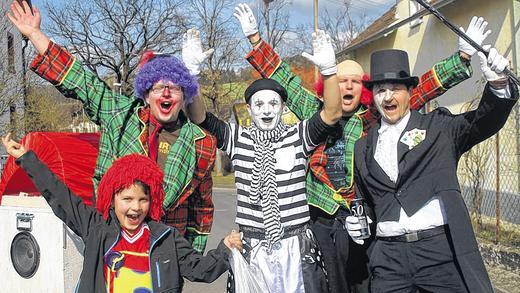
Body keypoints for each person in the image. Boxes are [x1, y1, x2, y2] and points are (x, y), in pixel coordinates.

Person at [233, 3, 491, 292]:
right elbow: (286, 81)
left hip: (358, 216)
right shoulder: (313, 111)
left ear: (364, 88)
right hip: (319, 214)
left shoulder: (372, 118)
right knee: (326, 283)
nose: (348, 87)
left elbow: (422, 88)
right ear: (330, 85)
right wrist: (256, 40)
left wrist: (463, 57)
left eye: (355, 82)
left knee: (364, 282)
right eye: (341, 81)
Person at [7, 0, 216, 252]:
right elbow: (81, 81)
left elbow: (201, 209)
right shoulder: (120, 115)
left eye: (174, 87)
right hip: (113, 243)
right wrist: (35, 34)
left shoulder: (201, 143)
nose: (167, 94)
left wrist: (190, 259)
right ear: (147, 94)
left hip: (164, 250)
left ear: (184, 95)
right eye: (159, 87)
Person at [348, 47, 517, 293]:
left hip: (438, 253)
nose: (387, 97)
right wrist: (358, 223)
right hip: (388, 259)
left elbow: (482, 123)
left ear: (409, 92)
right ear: (372, 96)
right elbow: (367, 203)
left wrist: (498, 84)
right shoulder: (362, 147)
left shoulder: (438, 128)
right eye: (380, 90)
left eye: (395, 88)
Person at [187, 28, 342, 293]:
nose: (267, 110)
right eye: (259, 105)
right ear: (249, 110)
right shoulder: (238, 138)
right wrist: (191, 74)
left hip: (296, 246)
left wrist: (329, 71)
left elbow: (332, 112)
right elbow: (199, 117)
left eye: (273, 103)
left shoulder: (299, 135)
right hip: (253, 247)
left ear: (283, 107)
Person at [2, 133, 242, 293]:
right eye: (127, 199)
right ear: (112, 199)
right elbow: (60, 197)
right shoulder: (97, 230)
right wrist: (26, 158)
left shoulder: (166, 238)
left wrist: (224, 249)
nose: (135, 207)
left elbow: (201, 269)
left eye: (143, 200)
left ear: (152, 200)